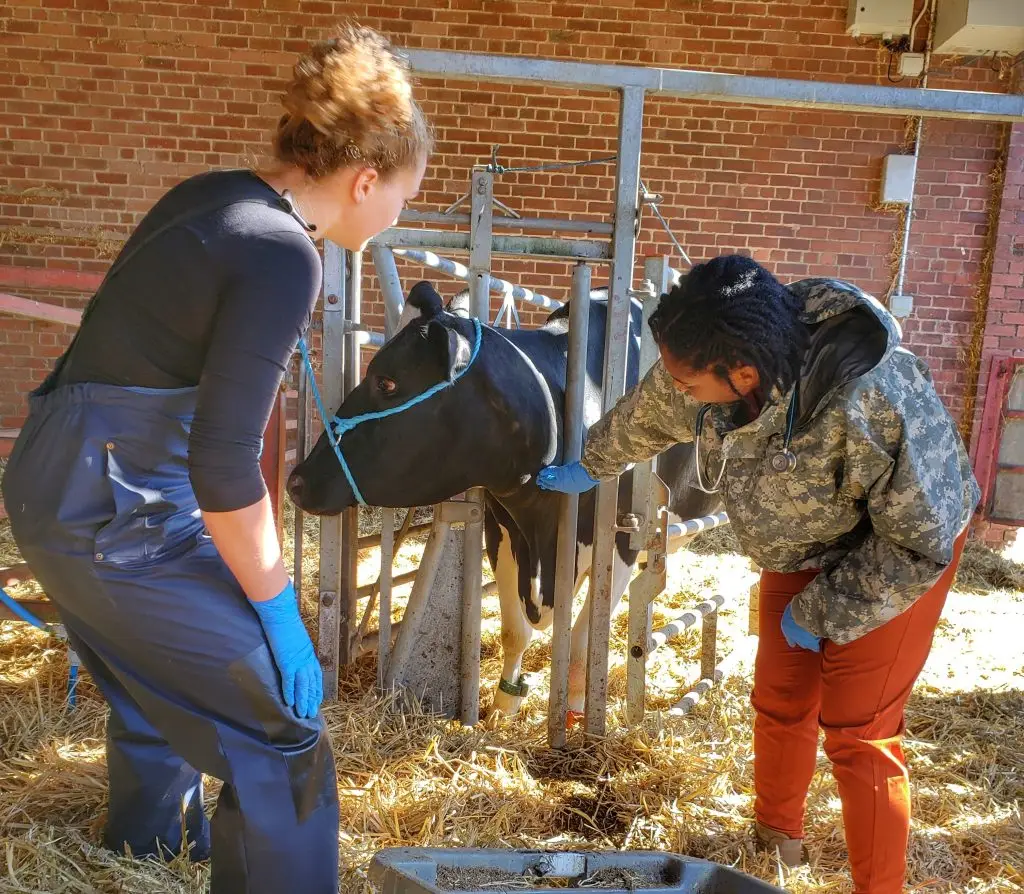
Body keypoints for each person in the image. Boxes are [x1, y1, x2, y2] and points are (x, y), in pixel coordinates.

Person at [2, 24, 430, 894]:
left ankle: (147, 854)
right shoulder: (282, 253)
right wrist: (278, 614)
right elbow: (227, 467)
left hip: (60, 480)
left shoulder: (212, 195)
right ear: (365, 179)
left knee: (158, 674)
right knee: (281, 727)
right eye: (404, 198)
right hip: (114, 508)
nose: (397, 219)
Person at [537, 255, 979, 894]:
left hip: (897, 555)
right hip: (800, 544)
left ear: (742, 373)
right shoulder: (717, 349)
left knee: (858, 730)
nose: (678, 389)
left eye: (688, 382)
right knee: (780, 698)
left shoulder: (872, 398)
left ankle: (878, 888)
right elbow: (651, 412)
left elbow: (921, 542)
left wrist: (823, 612)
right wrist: (593, 463)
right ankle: (777, 846)